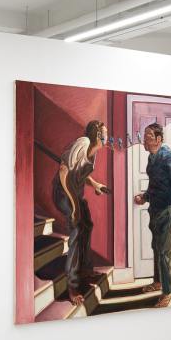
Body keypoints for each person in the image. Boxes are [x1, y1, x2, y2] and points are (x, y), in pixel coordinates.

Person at [53, 120, 110, 306]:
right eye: (105, 133)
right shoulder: (83, 144)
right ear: (98, 136)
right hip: (63, 193)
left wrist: (94, 184)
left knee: (87, 224)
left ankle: (85, 268)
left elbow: (80, 173)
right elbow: (64, 173)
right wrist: (75, 207)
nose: (107, 136)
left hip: (75, 194)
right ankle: (72, 284)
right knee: (76, 228)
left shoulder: (93, 152)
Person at [133, 122, 171, 309]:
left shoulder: (167, 156)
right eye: (144, 137)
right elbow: (155, 183)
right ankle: (158, 282)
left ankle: (168, 291)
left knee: (164, 251)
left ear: (158, 139)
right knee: (156, 247)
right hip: (154, 208)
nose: (144, 141)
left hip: (165, 209)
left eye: (148, 137)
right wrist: (145, 197)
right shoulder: (151, 157)